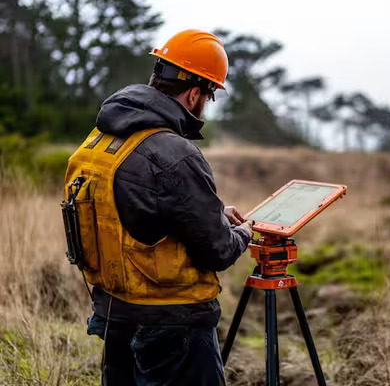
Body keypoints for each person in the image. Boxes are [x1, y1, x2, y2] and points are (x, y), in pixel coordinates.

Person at [63, 30, 253, 385]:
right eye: (209, 95)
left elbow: (137, 218)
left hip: (114, 313)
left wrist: (213, 214)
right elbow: (219, 250)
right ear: (195, 93)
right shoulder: (175, 153)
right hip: (172, 324)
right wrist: (243, 232)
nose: (206, 104)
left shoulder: (99, 140)